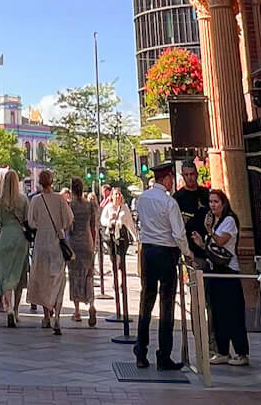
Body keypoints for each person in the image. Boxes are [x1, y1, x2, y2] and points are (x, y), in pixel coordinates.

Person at [133, 159, 188, 371]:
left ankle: (141, 349)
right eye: (171, 178)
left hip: (147, 252)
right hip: (166, 253)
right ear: (166, 179)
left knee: (146, 302)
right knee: (166, 305)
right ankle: (163, 355)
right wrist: (188, 253)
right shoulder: (169, 202)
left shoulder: (143, 199)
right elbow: (179, 234)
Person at [201, 187, 249, 366]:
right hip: (216, 270)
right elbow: (212, 246)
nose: (212, 205)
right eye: (211, 202)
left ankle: (240, 352)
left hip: (228, 271)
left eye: (216, 202)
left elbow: (221, 241)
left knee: (232, 312)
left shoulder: (228, 220)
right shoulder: (216, 221)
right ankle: (222, 351)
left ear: (223, 203)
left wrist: (210, 232)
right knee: (218, 312)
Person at [27, 169, 72, 334]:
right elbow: (68, 220)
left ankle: (46, 316)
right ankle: (57, 317)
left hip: (41, 243)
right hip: (56, 243)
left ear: (39, 182)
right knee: (57, 280)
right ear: (52, 182)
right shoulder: (60, 200)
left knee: (42, 279)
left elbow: (31, 222)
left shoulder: (36, 201)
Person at [0, 167, 31, 327]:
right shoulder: (23, 199)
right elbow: (28, 219)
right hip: (20, 237)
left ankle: (9, 308)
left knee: (5, 273)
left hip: (5, 235)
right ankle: (17, 310)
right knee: (19, 274)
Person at [65, 178, 99, 325]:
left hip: (73, 244)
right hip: (87, 242)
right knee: (88, 275)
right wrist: (94, 243)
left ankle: (77, 311)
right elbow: (93, 226)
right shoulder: (89, 205)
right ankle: (91, 304)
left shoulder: (70, 205)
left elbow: (68, 227)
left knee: (74, 276)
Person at [101, 184, 134, 320]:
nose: (118, 196)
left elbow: (130, 223)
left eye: (119, 194)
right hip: (111, 238)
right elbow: (102, 220)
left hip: (122, 239)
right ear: (111, 196)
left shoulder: (125, 208)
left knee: (121, 262)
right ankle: (115, 281)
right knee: (113, 260)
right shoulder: (108, 208)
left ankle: (122, 281)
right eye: (115, 194)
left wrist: (136, 237)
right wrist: (110, 221)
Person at [174, 160, 209, 258]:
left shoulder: (206, 194)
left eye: (192, 174)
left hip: (205, 244)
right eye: (186, 175)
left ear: (196, 174)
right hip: (188, 246)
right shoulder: (178, 197)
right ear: (183, 176)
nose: (189, 177)